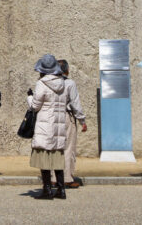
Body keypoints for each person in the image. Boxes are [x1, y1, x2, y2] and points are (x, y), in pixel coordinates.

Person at [28, 53, 70, 199]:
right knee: (57, 157)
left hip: (45, 125)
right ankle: (61, 189)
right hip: (58, 125)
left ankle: (47, 190)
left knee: (44, 158)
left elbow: (35, 106)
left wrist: (29, 98)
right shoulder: (63, 83)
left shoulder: (41, 83)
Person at [57, 59, 87, 188]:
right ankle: (67, 178)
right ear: (67, 70)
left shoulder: (48, 82)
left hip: (52, 117)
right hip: (66, 116)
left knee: (55, 147)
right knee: (68, 147)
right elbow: (75, 103)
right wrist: (82, 120)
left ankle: (53, 177)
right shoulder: (69, 83)